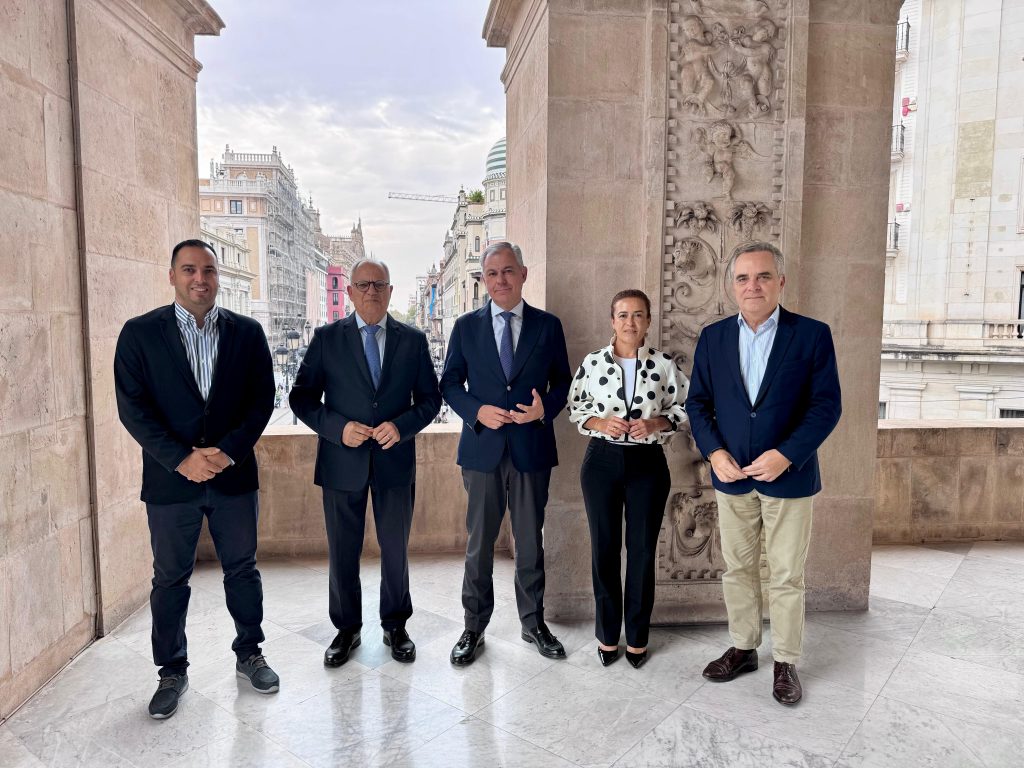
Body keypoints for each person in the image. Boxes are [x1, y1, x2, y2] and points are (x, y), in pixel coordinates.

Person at [114, 239, 278, 720]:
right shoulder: (140, 334)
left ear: (218, 277)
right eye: (189, 270)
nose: (200, 279)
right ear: (172, 276)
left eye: (208, 270)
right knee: (169, 579)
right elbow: (133, 409)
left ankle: (250, 654)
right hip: (170, 483)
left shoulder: (247, 333)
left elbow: (261, 400)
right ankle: (171, 671)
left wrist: (226, 452)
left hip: (233, 478)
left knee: (243, 570)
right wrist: (181, 459)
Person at [685, 242, 841, 705]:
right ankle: (744, 647)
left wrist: (787, 455)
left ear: (781, 282)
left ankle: (787, 661)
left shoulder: (812, 335)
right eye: (743, 278)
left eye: (763, 277)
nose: (752, 286)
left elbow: (826, 406)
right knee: (737, 569)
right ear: (732, 286)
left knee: (787, 575)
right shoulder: (712, 338)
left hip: (788, 478)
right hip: (732, 477)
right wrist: (714, 453)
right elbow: (697, 404)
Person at [290, 258, 440, 667]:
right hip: (342, 463)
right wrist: (338, 429)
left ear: (390, 291)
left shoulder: (412, 340)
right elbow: (300, 398)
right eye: (362, 284)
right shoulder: (325, 338)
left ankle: (396, 625)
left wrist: (403, 427)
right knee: (342, 551)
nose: (371, 291)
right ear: (350, 292)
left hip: (394, 462)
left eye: (379, 284)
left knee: (395, 550)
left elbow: (430, 400)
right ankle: (346, 629)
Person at [440, 242, 571, 666]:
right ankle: (473, 627)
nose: (500, 280)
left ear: (524, 273)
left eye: (508, 271)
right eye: (492, 273)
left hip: (531, 448)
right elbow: (449, 385)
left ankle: (533, 623)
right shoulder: (465, 327)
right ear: (484, 279)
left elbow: (564, 386)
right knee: (479, 544)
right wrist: (477, 411)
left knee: (531, 542)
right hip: (482, 451)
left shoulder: (548, 327)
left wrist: (542, 410)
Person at [567, 290, 689, 669]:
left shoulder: (665, 365)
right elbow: (575, 406)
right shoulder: (593, 362)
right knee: (604, 550)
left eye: (638, 315)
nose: (630, 323)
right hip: (601, 462)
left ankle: (637, 636)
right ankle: (607, 635)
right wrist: (601, 422)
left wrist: (657, 422)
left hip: (648, 463)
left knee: (641, 553)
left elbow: (688, 406)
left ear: (649, 321)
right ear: (612, 320)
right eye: (622, 315)